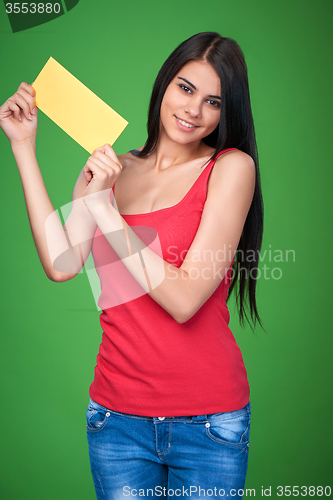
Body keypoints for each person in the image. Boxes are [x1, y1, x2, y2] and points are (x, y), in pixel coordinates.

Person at [0, 32, 264, 500]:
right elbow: (62, 263)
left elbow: (184, 300)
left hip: (207, 425)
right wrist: (23, 146)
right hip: (116, 420)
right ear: (165, 85)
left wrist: (106, 210)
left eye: (213, 102)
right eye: (185, 88)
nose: (193, 110)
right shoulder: (115, 167)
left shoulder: (230, 168)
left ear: (227, 112)